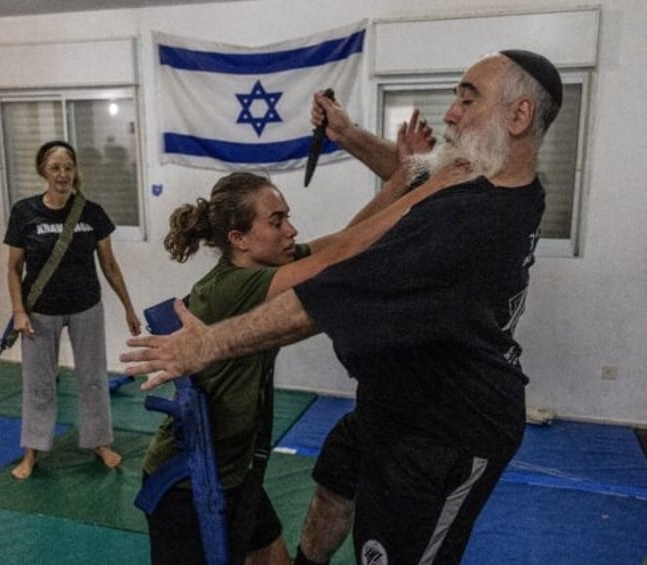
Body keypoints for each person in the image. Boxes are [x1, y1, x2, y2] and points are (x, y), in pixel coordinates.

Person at [121, 49, 563, 564]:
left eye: (468, 98)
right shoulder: (495, 181)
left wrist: (207, 345)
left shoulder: (467, 222)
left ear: (519, 115)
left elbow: (334, 273)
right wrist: (351, 136)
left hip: (446, 430)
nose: (450, 113)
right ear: (238, 239)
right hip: (390, 405)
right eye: (276, 220)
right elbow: (405, 190)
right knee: (333, 483)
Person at [141, 109, 469, 564]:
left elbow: (346, 238)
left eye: (287, 217)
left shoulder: (268, 264)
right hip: (186, 483)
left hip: (235, 475)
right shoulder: (235, 288)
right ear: (239, 239)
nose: (291, 230)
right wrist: (433, 186)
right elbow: (343, 257)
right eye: (276, 221)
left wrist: (407, 176)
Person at [4, 140, 142, 479]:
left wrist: (128, 307)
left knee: (93, 379)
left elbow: (109, 264)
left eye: (68, 167)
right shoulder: (25, 212)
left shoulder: (91, 212)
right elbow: (13, 268)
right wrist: (19, 311)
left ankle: (99, 442)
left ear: (75, 171)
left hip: (86, 307)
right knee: (38, 383)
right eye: (55, 168)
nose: (62, 174)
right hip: (40, 311)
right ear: (43, 172)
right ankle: (32, 451)